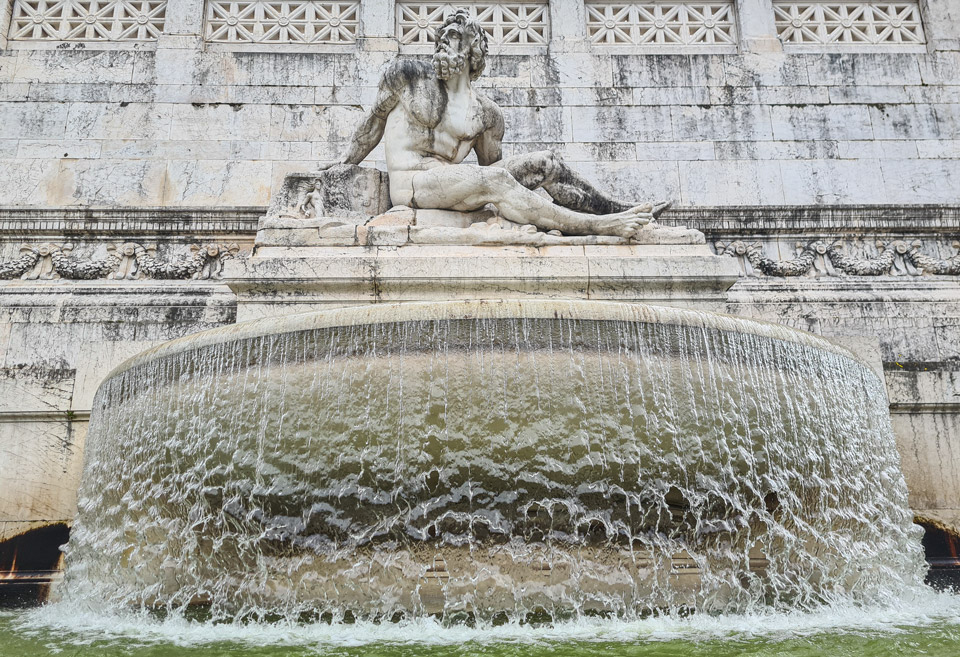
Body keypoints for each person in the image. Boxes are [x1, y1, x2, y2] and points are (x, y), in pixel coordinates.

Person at [332, 9, 667, 238]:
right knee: (493, 181)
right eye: (442, 37)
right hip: (413, 183)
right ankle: (599, 227)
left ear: (473, 50)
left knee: (546, 163)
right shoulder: (407, 76)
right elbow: (372, 123)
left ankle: (625, 210)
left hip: (452, 183)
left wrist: (516, 191)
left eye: (454, 37)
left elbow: (497, 169)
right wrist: (344, 165)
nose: (443, 42)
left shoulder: (487, 114)